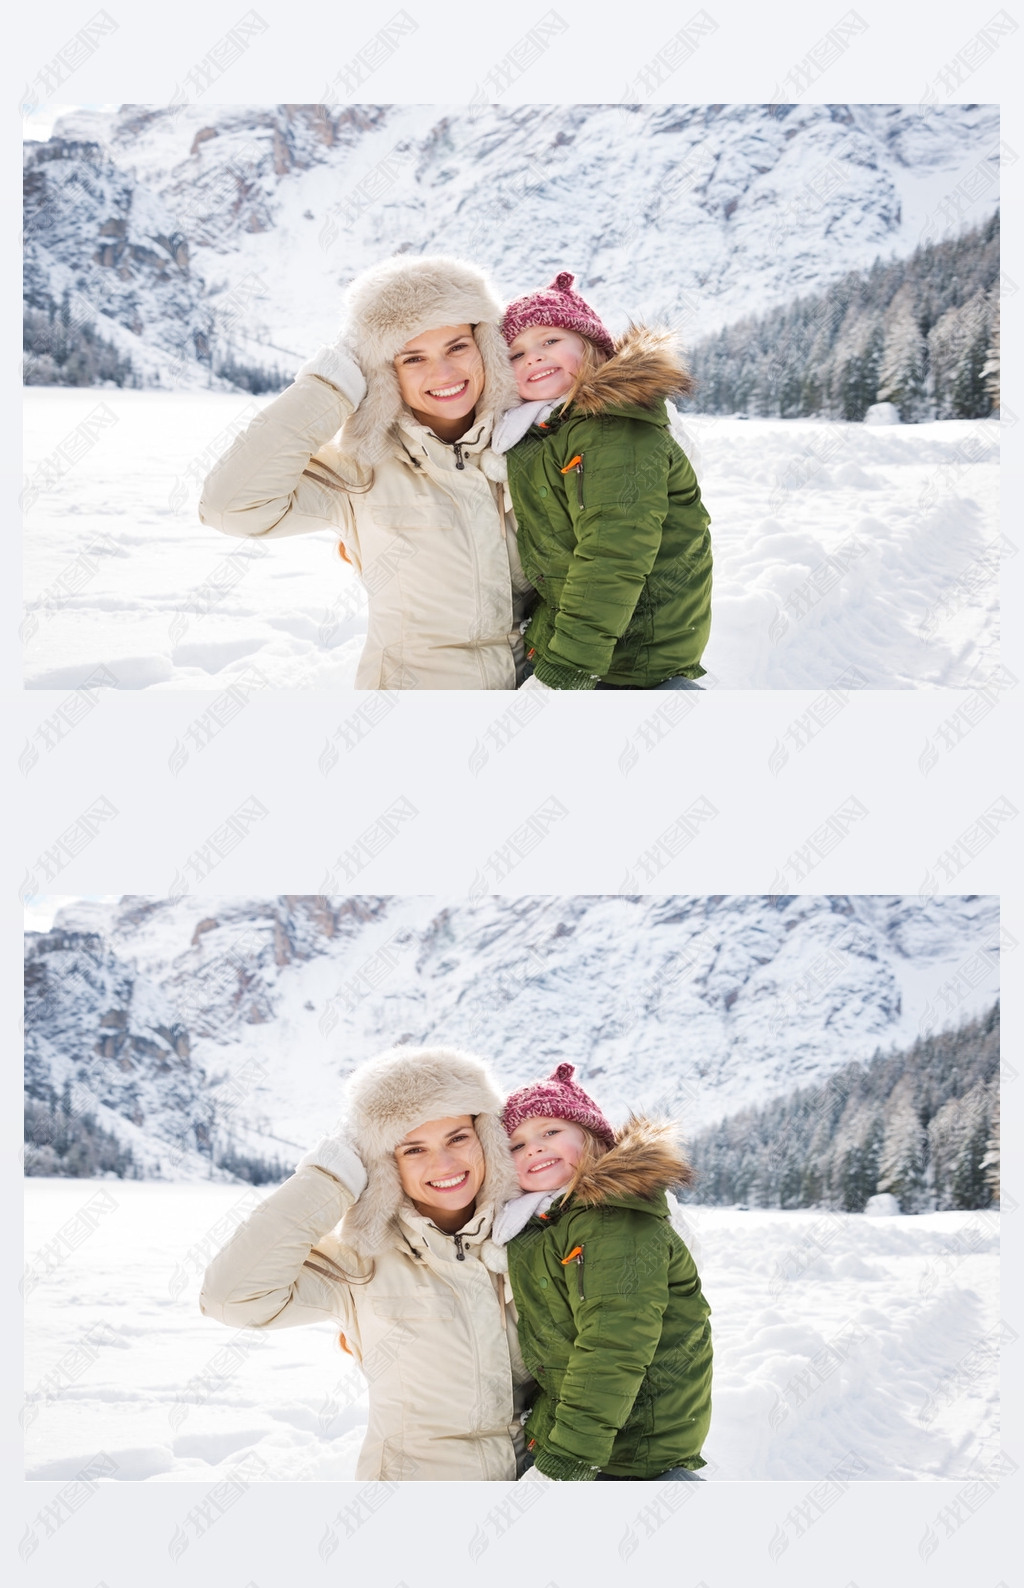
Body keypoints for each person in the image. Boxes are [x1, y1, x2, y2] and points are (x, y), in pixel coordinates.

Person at [198, 256, 535, 689]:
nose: (444, 372)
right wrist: (332, 383)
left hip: (531, 697)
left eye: (457, 346)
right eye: (413, 358)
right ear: (383, 373)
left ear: (486, 347)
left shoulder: (530, 451)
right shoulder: (360, 469)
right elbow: (230, 507)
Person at [199, 1046, 534, 1480]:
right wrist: (332, 1174)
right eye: (413, 1149)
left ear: (487, 1138)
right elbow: (231, 1298)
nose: (444, 1163)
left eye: (458, 1137)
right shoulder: (360, 1260)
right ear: (383, 1164)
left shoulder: (530, 1242)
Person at [491, 272, 713, 690]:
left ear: (591, 346)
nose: (533, 357)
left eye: (549, 341)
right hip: (595, 641)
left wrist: (567, 667)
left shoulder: (613, 430)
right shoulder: (549, 430)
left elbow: (613, 554)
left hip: (632, 652)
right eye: (515, 354)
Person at [492, 1062, 713, 1481]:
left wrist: (567, 1458)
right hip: (597, 1432)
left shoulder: (613, 1221)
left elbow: (613, 1345)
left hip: (632, 1445)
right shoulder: (549, 1221)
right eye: (516, 1146)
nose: (533, 1149)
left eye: (550, 1132)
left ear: (591, 1137)